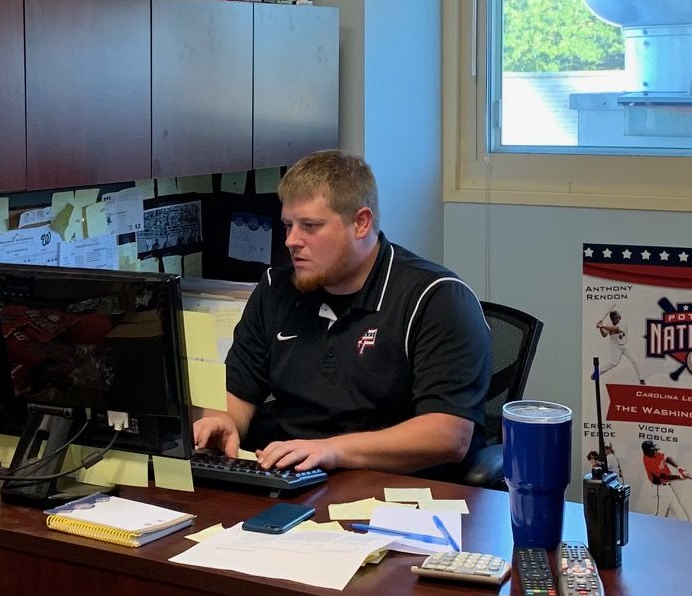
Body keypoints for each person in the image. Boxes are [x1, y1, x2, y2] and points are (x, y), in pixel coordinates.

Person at [192, 150, 491, 475]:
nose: (291, 241)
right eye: (288, 225)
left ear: (361, 223)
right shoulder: (275, 288)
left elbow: (448, 434)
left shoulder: (437, 298)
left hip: (393, 485)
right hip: (293, 477)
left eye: (310, 226)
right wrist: (222, 420)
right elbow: (237, 390)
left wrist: (331, 450)